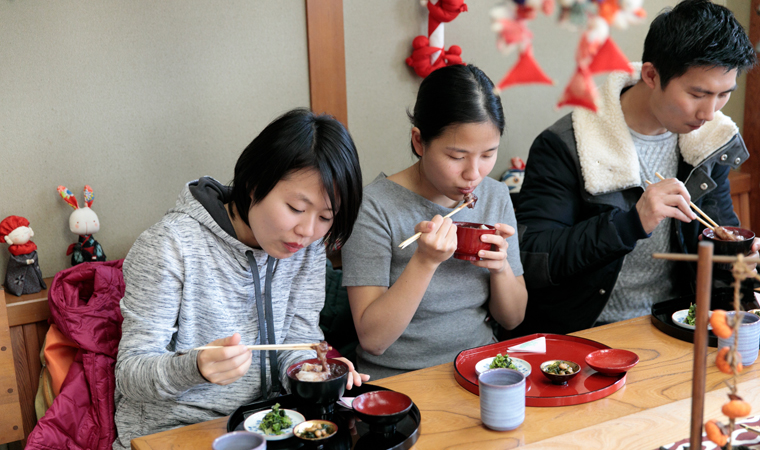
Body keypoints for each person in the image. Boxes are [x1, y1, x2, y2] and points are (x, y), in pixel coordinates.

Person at [113, 109, 368, 448]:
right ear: (253, 185)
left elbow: (300, 339)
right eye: (294, 208)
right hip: (177, 434)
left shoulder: (306, 248)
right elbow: (130, 373)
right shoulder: (169, 246)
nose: (307, 231)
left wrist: (315, 372)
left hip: (270, 426)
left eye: (325, 216)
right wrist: (196, 367)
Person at [514, 0, 759, 336]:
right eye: (697, 93)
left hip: (677, 324)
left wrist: (739, 259)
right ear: (651, 75)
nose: (709, 112)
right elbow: (534, 259)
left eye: (723, 94)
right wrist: (631, 223)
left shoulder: (710, 140)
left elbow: (717, 229)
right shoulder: (567, 145)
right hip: (587, 332)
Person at [341, 64, 528, 380]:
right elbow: (373, 341)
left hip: (482, 368)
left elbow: (513, 319)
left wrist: (501, 268)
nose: (474, 174)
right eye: (457, 157)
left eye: (488, 155)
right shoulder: (373, 206)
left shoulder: (494, 195)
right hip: (400, 378)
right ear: (418, 141)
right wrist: (425, 262)